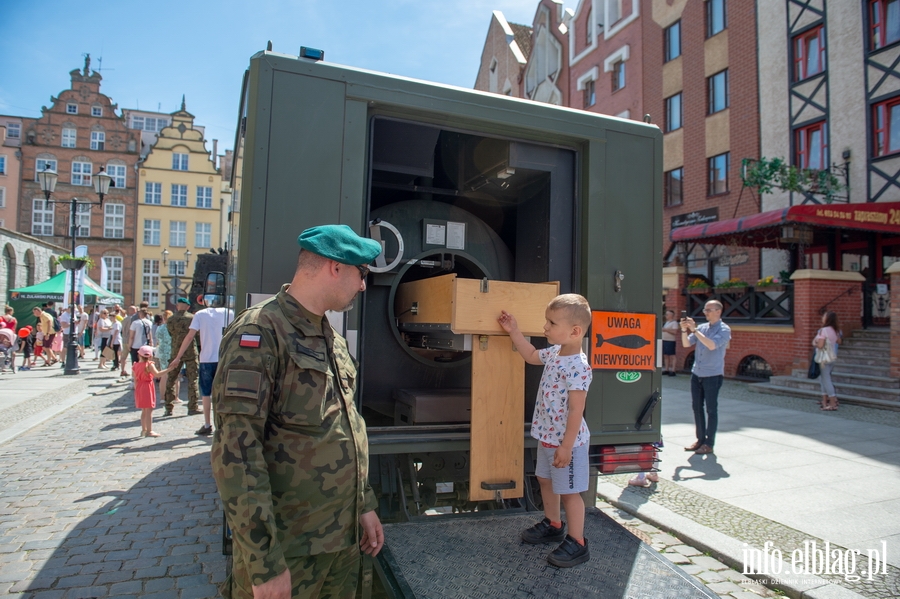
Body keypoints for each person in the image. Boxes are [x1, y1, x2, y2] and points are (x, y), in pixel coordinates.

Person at [212, 224, 384, 598]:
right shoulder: (261, 331)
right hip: (290, 550)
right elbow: (236, 453)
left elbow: (344, 427)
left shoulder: (331, 337)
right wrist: (264, 564)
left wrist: (364, 506)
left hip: (341, 542)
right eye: (361, 273)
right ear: (335, 268)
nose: (363, 285)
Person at [498, 293, 593, 568]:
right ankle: (553, 524)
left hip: (568, 444)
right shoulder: (554, 353)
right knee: (545, 480)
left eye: (551, 323)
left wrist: (566, 446)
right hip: (547, 437)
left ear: (575, 331)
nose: (545, 328)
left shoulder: (578, 367)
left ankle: (578, 543)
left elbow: (576, 411)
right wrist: (513, 330)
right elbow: (529, 354)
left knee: (571, 492)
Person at [170, 296, 233, 436]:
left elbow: (189, 336)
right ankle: (222, 424)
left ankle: (207, 423)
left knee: (206, 393)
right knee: (223, 393)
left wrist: (178, 357)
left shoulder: (200, 314)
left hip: (207, 358)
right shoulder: (229, 312)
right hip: (224, 358)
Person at [681, 299, 731, 455]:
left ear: (718, 311)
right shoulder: (702, 328)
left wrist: (694, 330)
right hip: (697, 373)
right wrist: (684, 330)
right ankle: (700, 439)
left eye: (709, 310)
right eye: (705, 310)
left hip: (713, 375)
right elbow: (686, 344)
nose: (706, 313)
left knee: (711, 409)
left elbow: (711, 345)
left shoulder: (724, 329)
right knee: (696, 407)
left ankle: (709, 443)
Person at [164, 298, 200, 417]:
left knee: (171, 379)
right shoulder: (192, 318)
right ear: (188, 307)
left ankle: (168, 407)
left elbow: (170, 334)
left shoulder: (171, 319)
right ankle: (192, 406)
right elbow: (197, 335)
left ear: (177, 306)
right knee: (193, 379)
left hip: (175, 351)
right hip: (190, 351)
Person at [133, 345, 169, 438]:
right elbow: (157, 374)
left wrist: (137, 390)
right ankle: (149, 430)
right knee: (149, 410)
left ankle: (144, 429)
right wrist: (169, 369)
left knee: (144, 410)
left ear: (139, 355)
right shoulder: (149, 365)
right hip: (147, 387)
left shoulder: (135, 365)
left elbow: (135, 380)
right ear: (150, 356)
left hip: (139, 387)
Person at [813, 311, 842, 411]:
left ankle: (832, 402)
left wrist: (815, 343)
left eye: (824, 316)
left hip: (824, 358)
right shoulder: (836, 330)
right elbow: (839, 341)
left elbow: (820, 345)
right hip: (832, 357)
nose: (822, 318)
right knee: (824, 379)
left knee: (826, 380)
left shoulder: (823, 330)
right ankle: (825, 401)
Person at [118, 305, 138, 377]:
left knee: (124, 356)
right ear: (134, 311)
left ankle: (122, 370)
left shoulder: (124, 319)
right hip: (131, 340)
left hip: (124, 339)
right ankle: (134, 373)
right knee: (134, 357)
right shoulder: (134, 319)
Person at [661, 309, 680, 376]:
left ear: (671, 315)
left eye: (667, 314)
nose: (666, 315)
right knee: (665, 355)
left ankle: (673, 370)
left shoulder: (674, 323)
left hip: (670, 341)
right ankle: (666, 369)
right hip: (664, 340)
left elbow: (674, 332)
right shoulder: (666, 322)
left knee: (672, 356)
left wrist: (665, 330)